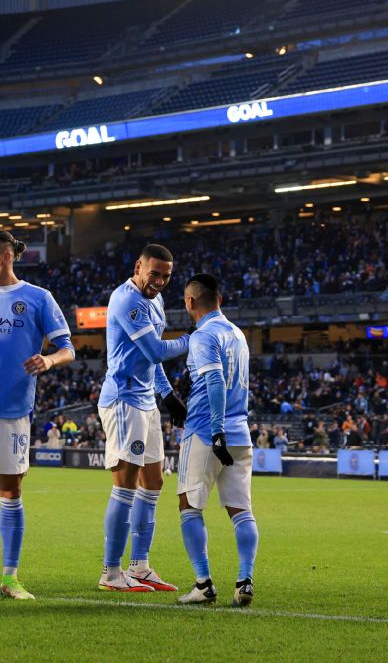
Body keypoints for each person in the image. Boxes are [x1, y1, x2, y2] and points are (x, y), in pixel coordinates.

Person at [0, 229, 75, 601]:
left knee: (11, 491)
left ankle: (10, 578)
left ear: (6, 256)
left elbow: (67, 347)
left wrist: (49, 359)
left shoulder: (38, 298)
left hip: (14, 410)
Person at [96, 244, 188, 594]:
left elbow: (152, 362)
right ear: (139, 267)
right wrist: (194, 340)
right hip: (123, 402)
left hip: (146, 401)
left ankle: (140, 566)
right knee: (126, 486)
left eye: (166, 276)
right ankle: (111, 572)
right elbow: (155, 349)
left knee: (154, 483)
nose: (160, 281)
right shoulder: (127, 300)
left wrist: (167, 396)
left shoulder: (155, 300)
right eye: (155, 274)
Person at [174, 274, 257, 607]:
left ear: (190, 302)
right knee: (241, 511)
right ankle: (245, 579)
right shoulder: (238, 334)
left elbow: (216, 381)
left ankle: (203, 583)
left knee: (189, 506)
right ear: (219, 300)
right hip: (242, 432)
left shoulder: (202, 336)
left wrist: (217, 430)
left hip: (207, 431)